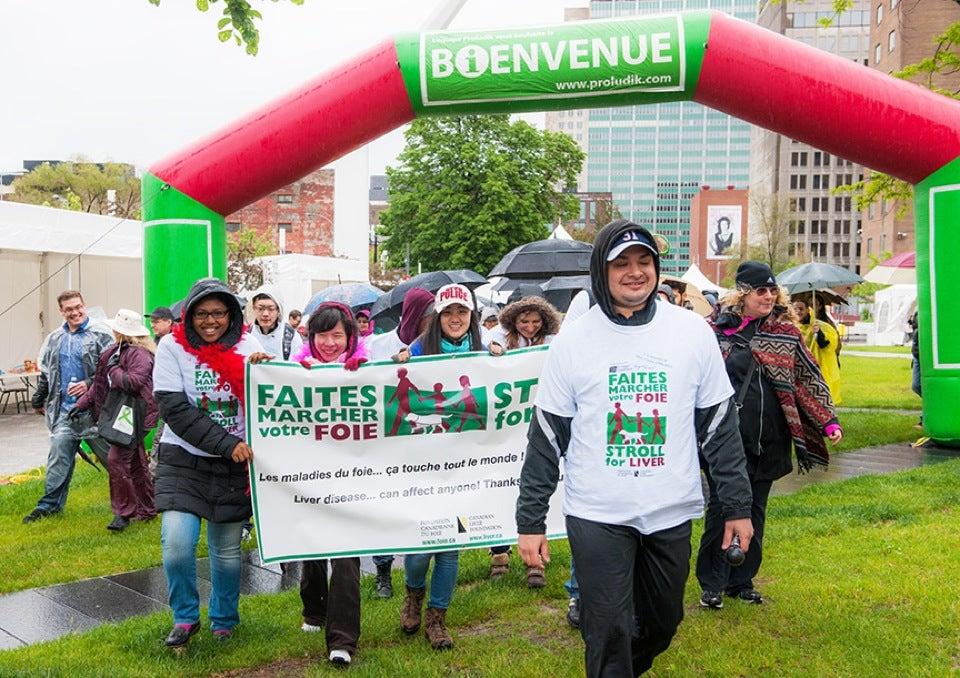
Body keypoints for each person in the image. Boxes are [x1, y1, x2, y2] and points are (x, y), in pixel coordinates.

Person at [516, 220, 754, 677]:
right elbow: (546, 438)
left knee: (664, 623)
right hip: (597, 514)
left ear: (657, 268)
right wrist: (531, 520)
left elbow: (720, 429)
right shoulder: (574, 341)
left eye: (644, 261)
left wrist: (738, 506)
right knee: (606, 630)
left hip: (669, 509)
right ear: (600, 272)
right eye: (621, 263)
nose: (634, 272)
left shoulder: (692, 333)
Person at [696, 262, 842, 611]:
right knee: (722, 508)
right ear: (743, 292)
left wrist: (828, 421)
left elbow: (808, 378)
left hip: (771, 437)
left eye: (772, 290)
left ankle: (741, 580)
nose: (768, 295)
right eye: (761, 290)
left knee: (755, 510)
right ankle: (712, 583)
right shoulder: (713, 331)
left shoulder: (786, 333)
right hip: (725, 440)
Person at [152, 278, 267, 648]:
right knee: (177, 546)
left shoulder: (251, 345)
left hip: (236, 464)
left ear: (231, 314)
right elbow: (174, 409)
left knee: (227, 552)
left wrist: (266, 371)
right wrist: (225, 442)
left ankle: (224, 620)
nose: (210, 321)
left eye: (218, 312)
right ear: (189, 315)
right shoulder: (171, 347)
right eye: (201, 313)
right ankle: (185, 617)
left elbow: (275, 397)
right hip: (184, 460)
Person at [393, 283, 503, 650]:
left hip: (464, 469)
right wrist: (399, 360)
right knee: (421, 547)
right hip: (423, 466)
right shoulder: (421, 349)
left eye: (462, 312)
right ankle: (413, 596)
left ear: (471, 316)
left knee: (451, 547)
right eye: (448, 313)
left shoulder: (482, 349)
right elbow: (397, 373)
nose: (455, 319)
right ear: (437, 318)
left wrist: (501, 357)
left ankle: (437, 618)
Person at [289, 302, 367, 666]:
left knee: (347, 558)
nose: (331, 343)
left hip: (352, 479)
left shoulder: (367, 372)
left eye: (339, 335)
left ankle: (342, 640)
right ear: (311, 337)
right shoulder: (296, 371)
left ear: (351, 338)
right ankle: (314, 612)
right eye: (324, 335)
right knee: (313, 554)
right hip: (309, 477)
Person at [366, 287, 435, 598]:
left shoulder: (434, 346)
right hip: (385, 440)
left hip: (420, 439)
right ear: (415, 316)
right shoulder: (379, 344)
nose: (434, 322)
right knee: (383, 507)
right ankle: (382, 570)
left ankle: (413, 575)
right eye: (429, 316)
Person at [23, 290, 113, 524]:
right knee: (58, 459)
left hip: (96, 413)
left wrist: (89, 384)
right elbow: (46, 372)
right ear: (62, 312)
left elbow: (113, 370)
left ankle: (136, 502)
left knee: (114, 460)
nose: (75, 312)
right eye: (69, 309)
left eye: (78, 307)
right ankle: (49, 506)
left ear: (84, 305)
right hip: (66, 413)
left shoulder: (101, 335)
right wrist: (38, 398)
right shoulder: (54, 339)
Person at [74, 309, 159, 531]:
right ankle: (148, 508)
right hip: (123, 413)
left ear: (118, 330)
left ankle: (123, 513)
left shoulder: (139, 354)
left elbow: (133, 382)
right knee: (136, 463)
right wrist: (81, 404)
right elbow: (99, 386)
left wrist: (114, 369)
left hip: (133, 414)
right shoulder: (113, 351)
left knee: (117, 460)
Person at [793, 293, 843, 405]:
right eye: (795, 309)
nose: (798, 312)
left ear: (807, 310)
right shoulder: (791, 327)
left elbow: (827, 346)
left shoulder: (823, 326)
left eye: (801, 309)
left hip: (818, 369)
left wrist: (818, 332)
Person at [487, 295, 560, 352]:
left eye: (536, 321)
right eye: (524, 322)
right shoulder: (499, 334)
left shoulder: (552, 337)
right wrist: (495, 348)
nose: (530, 329)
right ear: (513, 320)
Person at [249, 285, 303, 361]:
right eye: (260, 308)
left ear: (278, 310)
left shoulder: (291, 337)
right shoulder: (246, 334)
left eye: (271, 309)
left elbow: (297, 368)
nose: (265, 314)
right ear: (254, 308)